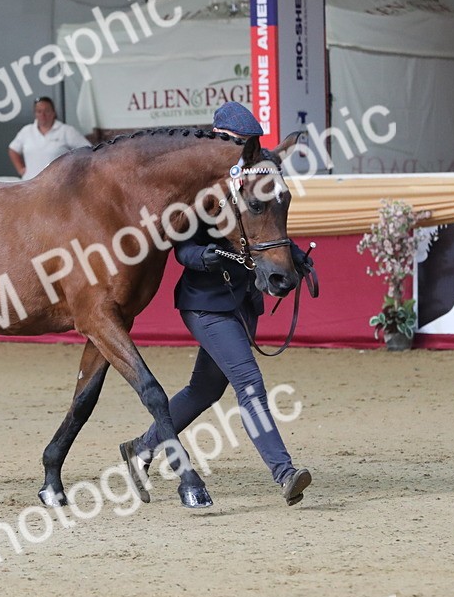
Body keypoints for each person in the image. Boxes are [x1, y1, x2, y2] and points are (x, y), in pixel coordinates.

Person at [119, 101, 316, 509]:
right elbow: (182, 250)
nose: (247, 153)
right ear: (223, 140)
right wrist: (203, 257)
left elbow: (265, 227)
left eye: (250, 145)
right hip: (206, 305)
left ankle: (141, 447)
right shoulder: (195, 190)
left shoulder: (253, 181)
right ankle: (284, 473)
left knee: (203, 390)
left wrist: (292, 255)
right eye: (242, 144)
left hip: (242, 300)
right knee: (249, 383)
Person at [7, 96, 90, 179]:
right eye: (39, 111)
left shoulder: (66, 131)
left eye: (47, 111)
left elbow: (88, 150)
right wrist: (21, 169)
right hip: (30, 185)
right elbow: (13, 150)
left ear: (54, 112)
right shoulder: (26, 131)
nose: (43, 115)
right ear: (35, 114)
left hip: (58, 185)